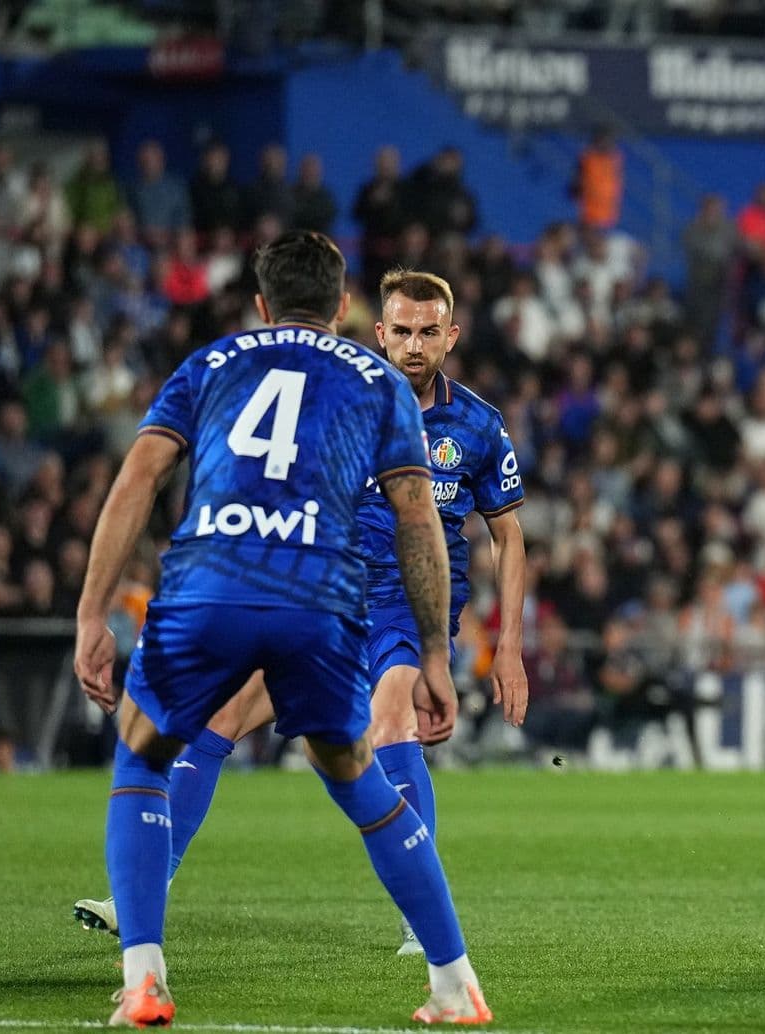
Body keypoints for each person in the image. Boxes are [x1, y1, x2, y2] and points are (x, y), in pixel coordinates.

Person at [72, 231, 491, 1025]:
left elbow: (138, 477)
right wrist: (437, 650)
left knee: (143, 749)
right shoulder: (380, 382)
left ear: (261, 305)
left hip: (209, 589)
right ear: (343, 309)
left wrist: (93, 613)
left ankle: (145, 978)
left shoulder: (210, 363)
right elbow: (417, 515)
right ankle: (453, 981)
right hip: (321, 602)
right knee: (358, 777)